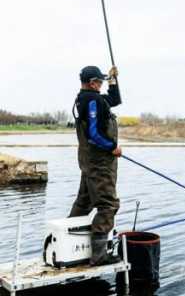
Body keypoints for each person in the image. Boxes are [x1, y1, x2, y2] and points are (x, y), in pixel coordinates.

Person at [69, 64, 122, 266]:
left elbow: (115, 100)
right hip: (99, 164)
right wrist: (113, 147)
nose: (101, 84)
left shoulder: (89, 98)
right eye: (100, 81)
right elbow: (93, 134)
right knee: (108, 205)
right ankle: (99, 255)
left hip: (89, 162)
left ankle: (67, 241)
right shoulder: (92, 100)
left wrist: (113, 80)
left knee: (84, 202)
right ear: (92, 83)